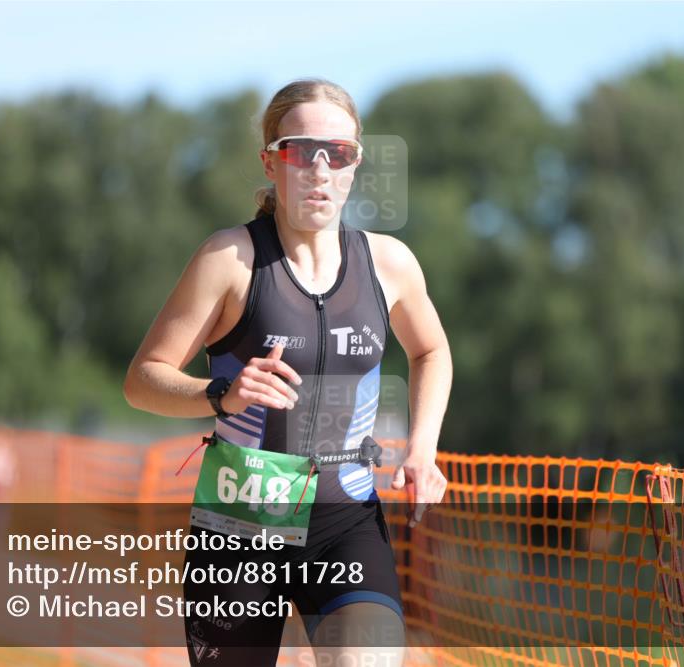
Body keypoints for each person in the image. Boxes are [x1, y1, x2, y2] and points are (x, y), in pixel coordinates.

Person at [124, 78, 452, 667]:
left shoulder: (390, 264)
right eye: (302, 150)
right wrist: (219, 394)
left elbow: (432, 351)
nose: (320, 169)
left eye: (339, 153)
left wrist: (422, 450)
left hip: (345, 520)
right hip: (240, 526)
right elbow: (143, 379)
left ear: (355, 165)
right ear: (271, 163)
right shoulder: (229, 260)